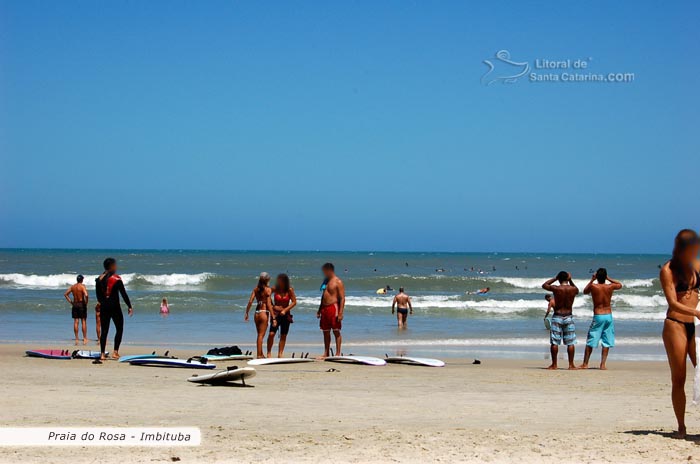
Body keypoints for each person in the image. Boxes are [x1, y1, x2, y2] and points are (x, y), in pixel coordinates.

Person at [661, 229, 700, 439]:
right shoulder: (668, 270)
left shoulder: (696, 266)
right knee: (679, 378)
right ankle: (682, 427)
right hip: (676, 325)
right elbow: (673, 302)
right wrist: (695, 311)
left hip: (696, 326)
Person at [580, 268, 622, 370]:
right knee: (606, 341)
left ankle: (585, 364)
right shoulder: (610, 286)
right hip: (608, 315)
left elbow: (585, 291)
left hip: (598, 316)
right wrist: (608, 278)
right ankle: (602, 364)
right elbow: (620, 285)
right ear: (605, 277)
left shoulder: (594, 286)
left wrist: (592, 280)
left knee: (591, 339)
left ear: (597, 276)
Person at [95, 258, 133, 361]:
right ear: (111, 266)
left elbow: (98, 296)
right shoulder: (116, 279)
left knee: (104, 330)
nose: (116, 267)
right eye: (115, 265)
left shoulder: (98, 279)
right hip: (115, 307)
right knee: (119, 328)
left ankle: (102, 354)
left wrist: (102, 303)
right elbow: (123, 293)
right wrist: (129, 306)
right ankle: (115, 352)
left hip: (104, 307)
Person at [542, 271, 579, 370]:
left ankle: (554, 364)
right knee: (570, 342)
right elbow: (577, 290)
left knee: (555, 342)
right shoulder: (573, 289)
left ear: (559, 278)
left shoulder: (556, 288)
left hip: (557, 316)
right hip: (568, 316)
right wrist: (570, 280)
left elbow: (544, 285)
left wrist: (555, 278)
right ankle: (571, 365)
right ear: (567, 278)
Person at [317, 263, 345, 358]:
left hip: (333, 307)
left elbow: (342, 298)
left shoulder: (338, 282)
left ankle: (337, 353)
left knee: (336, 331)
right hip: (324, 308)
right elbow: (323, 296)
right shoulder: (325, 281)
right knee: (325, 331)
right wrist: (319, 309)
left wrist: (340, 312)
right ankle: (326, 353)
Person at [267, 274, 297, 358]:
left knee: (283, 335)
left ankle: (280, 353)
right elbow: (267, 298)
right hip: (275, 314)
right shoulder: (274, 289)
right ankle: (269, 353)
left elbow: (294, 302)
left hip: (286, 314)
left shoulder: (289, 290)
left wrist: (285, 310)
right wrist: (273, 306)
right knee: (271, 334)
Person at [244, 272, 273, 359]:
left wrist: (247, 312)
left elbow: (250, 301)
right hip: (264, 312)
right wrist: (273, 315)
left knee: (259, 335)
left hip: (257, 313)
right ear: (267, 280)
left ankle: (261, 354)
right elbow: (269, 304)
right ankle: (259, 355)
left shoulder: (256, 289)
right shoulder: (268, 289)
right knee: (261, 335)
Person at [64, 275, 89, 345]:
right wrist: (86, 302)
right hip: (81, 304)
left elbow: (65, 294)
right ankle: (84, 338)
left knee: (76, 321)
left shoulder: (73, 287)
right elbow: (86, 295)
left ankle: (77, 338)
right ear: (82, 280)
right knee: (83, 321)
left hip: (75, 304)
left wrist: (71, 302)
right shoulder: (82, 286)